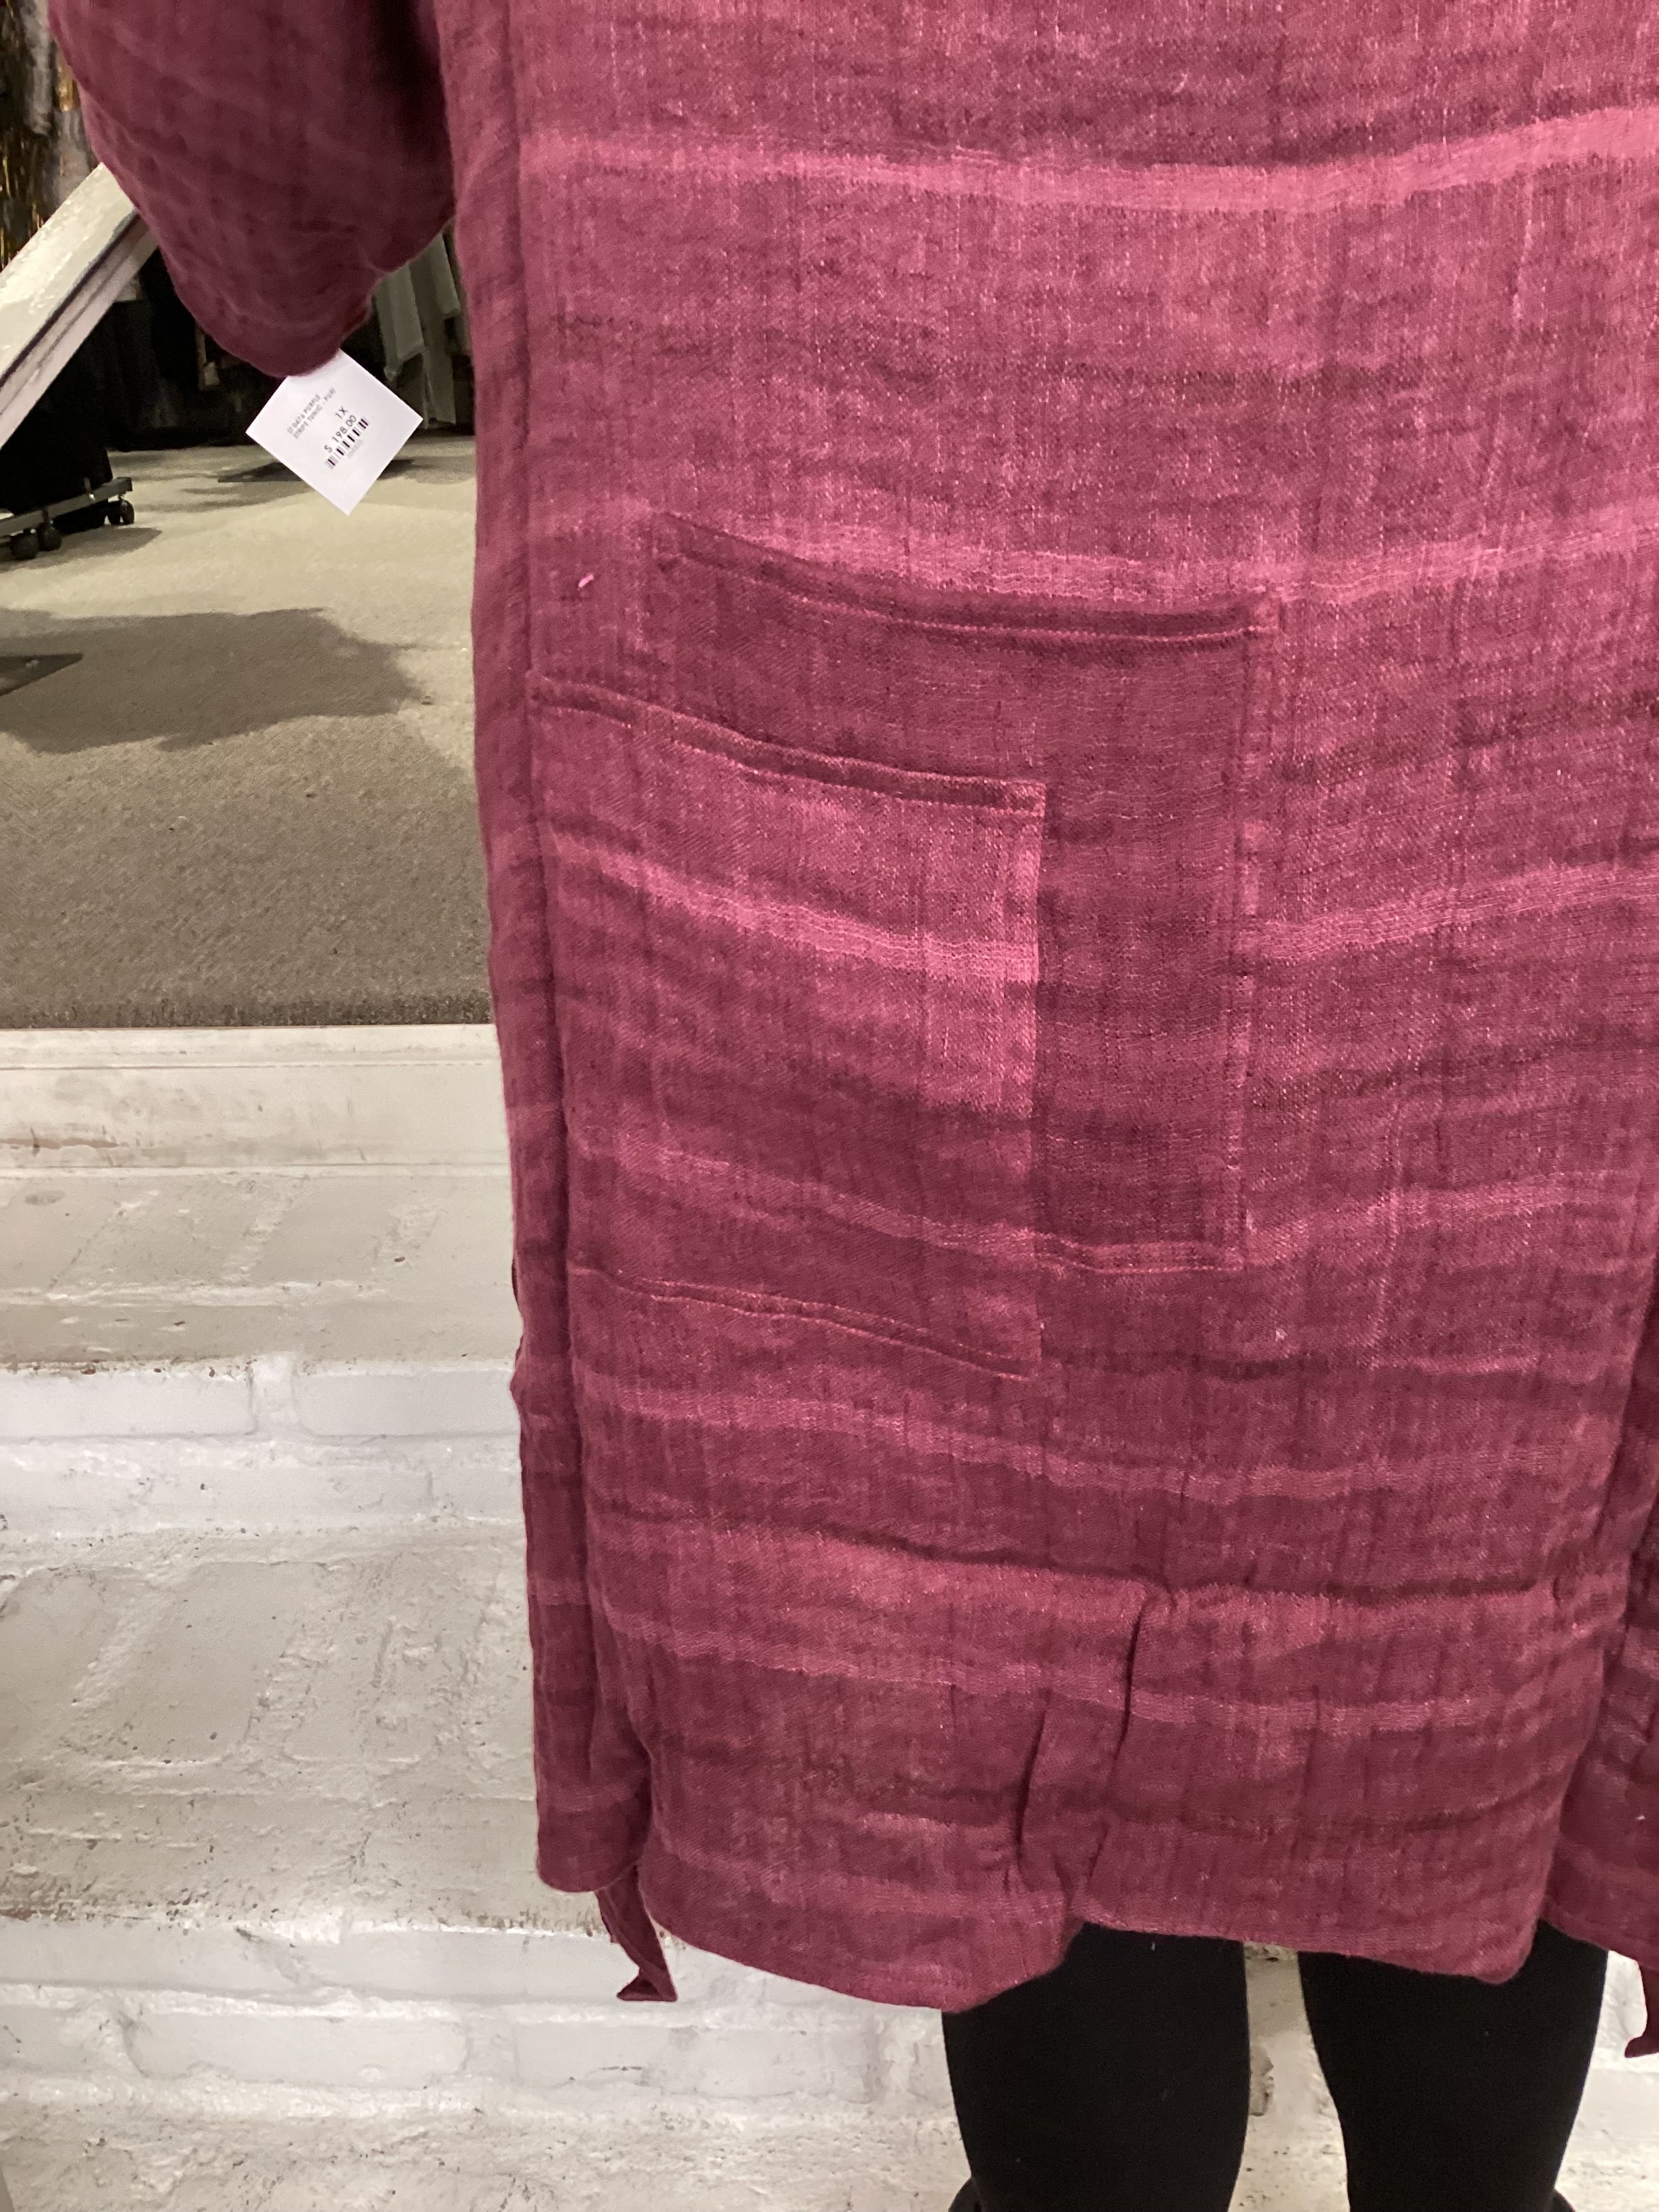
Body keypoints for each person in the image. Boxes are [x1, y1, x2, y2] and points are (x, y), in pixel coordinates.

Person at [52, 5, 1659, 2205]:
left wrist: (274, 260)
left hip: (832, 410)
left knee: (977, 1485)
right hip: (1539, 438)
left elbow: (227, 72)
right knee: (1486, 1391)